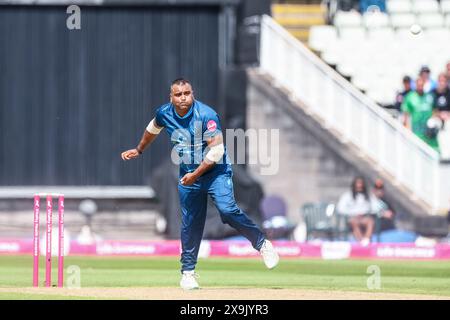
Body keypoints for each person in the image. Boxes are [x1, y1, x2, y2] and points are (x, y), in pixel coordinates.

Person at [121, 78, 279, 290]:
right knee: (190, 223)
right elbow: (152, 128)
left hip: (216, 172)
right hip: (189, 175)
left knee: (227, 209)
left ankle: (262, 243)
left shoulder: (206, 114)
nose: (183, 97)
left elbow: (217, 151)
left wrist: (195, 174)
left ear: (192, 93)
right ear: (171, 97)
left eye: (187, 93)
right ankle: (188, 273)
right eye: (179, 94)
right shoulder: (164, 113)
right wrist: (139, 149)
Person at [336, 176, 378, 245]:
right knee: (353, 222)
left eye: (361, 184)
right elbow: (340, 208)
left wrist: (367, 213)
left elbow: (375, 207)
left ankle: (366, 240)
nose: (359, 186)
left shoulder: (369, 196)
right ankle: (361, 242)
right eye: (358, 184)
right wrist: (353, 213)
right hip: (352, 217)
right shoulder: (347, 195)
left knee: (370, 221)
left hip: (364, 217)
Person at [401, 77, 439, 151]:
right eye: (419, 85)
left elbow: (435, 110)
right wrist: (407, 129)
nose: (420, 87)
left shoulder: (429, 96)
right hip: (416, 131)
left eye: (422, 85)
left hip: (428, 132)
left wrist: (433, 121)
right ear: (415, 85)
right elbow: (406, 114)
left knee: (434, 152)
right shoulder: (410, 97)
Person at [432, 73, 450, 159]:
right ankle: (435, 151)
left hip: (448, 119)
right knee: (432, 123)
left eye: (444, 81)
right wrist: (439, 114)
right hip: (437, 118)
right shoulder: (433, 93)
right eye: (440, 81)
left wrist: (447, 115)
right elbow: (431, 109)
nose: (442, 83)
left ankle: (446, 155)